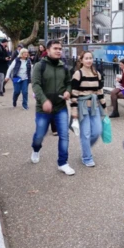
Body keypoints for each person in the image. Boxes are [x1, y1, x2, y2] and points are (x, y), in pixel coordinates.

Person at [31, 40, 75, 175]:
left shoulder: (64, 67)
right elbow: (35, 85)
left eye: (60, 49)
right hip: (43, 108)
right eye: (55, 48)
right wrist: (44, 100)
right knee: (39, 135)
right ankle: (36, 149)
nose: (59, 51)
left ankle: (63, 163)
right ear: (48, 50)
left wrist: (68, 91)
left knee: (64, 135)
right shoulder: (40, 66)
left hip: (60, 107)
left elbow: (69, 83)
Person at [70, 50, 107, 167]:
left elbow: (100, 92)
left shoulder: (97, 74)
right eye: (86, 58)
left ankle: (85, 148)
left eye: (90, 58)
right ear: (81, 60)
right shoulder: (78, 74)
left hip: (95, 106)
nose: (89, 60)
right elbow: (74, 93)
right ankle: (87, 157)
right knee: (85, 133)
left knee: (97, 131)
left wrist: (104, 107)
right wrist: (74, 110)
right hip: (82, 106)